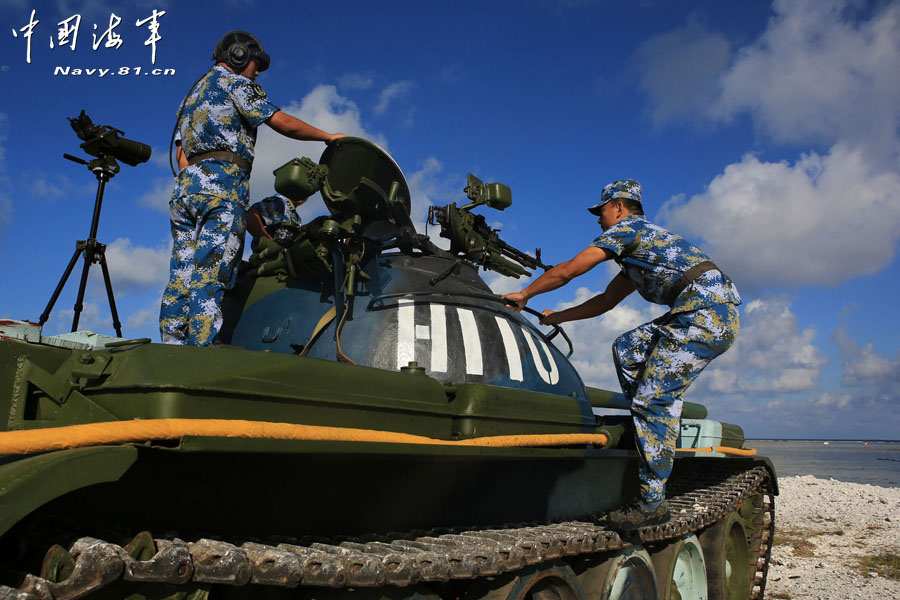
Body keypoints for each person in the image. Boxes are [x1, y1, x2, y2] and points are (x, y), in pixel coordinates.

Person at [502, 179, 741, 531]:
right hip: (698, 313)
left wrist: (525, 294)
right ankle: (651, 430)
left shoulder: (629, 231)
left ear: (618, 206)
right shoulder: (640, 254)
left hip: (706, 314)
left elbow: (570, 270)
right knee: (628, 348)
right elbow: (604, 302)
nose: (599, 221)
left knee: (653, 400)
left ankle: (651, 503)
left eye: (601, 213)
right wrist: (558, 316)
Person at [160, 30, 345, 346]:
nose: (257, 71)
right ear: (238, 56)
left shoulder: (192, 96)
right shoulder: (236, 85)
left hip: (185, 193)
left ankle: (172, 347)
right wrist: (328, 137)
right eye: (255, 64)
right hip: (222, 191)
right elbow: (280, 121)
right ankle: (200, 351)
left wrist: (196, 182)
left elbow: (180, 154)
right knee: (211, 272)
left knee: (181, 275)